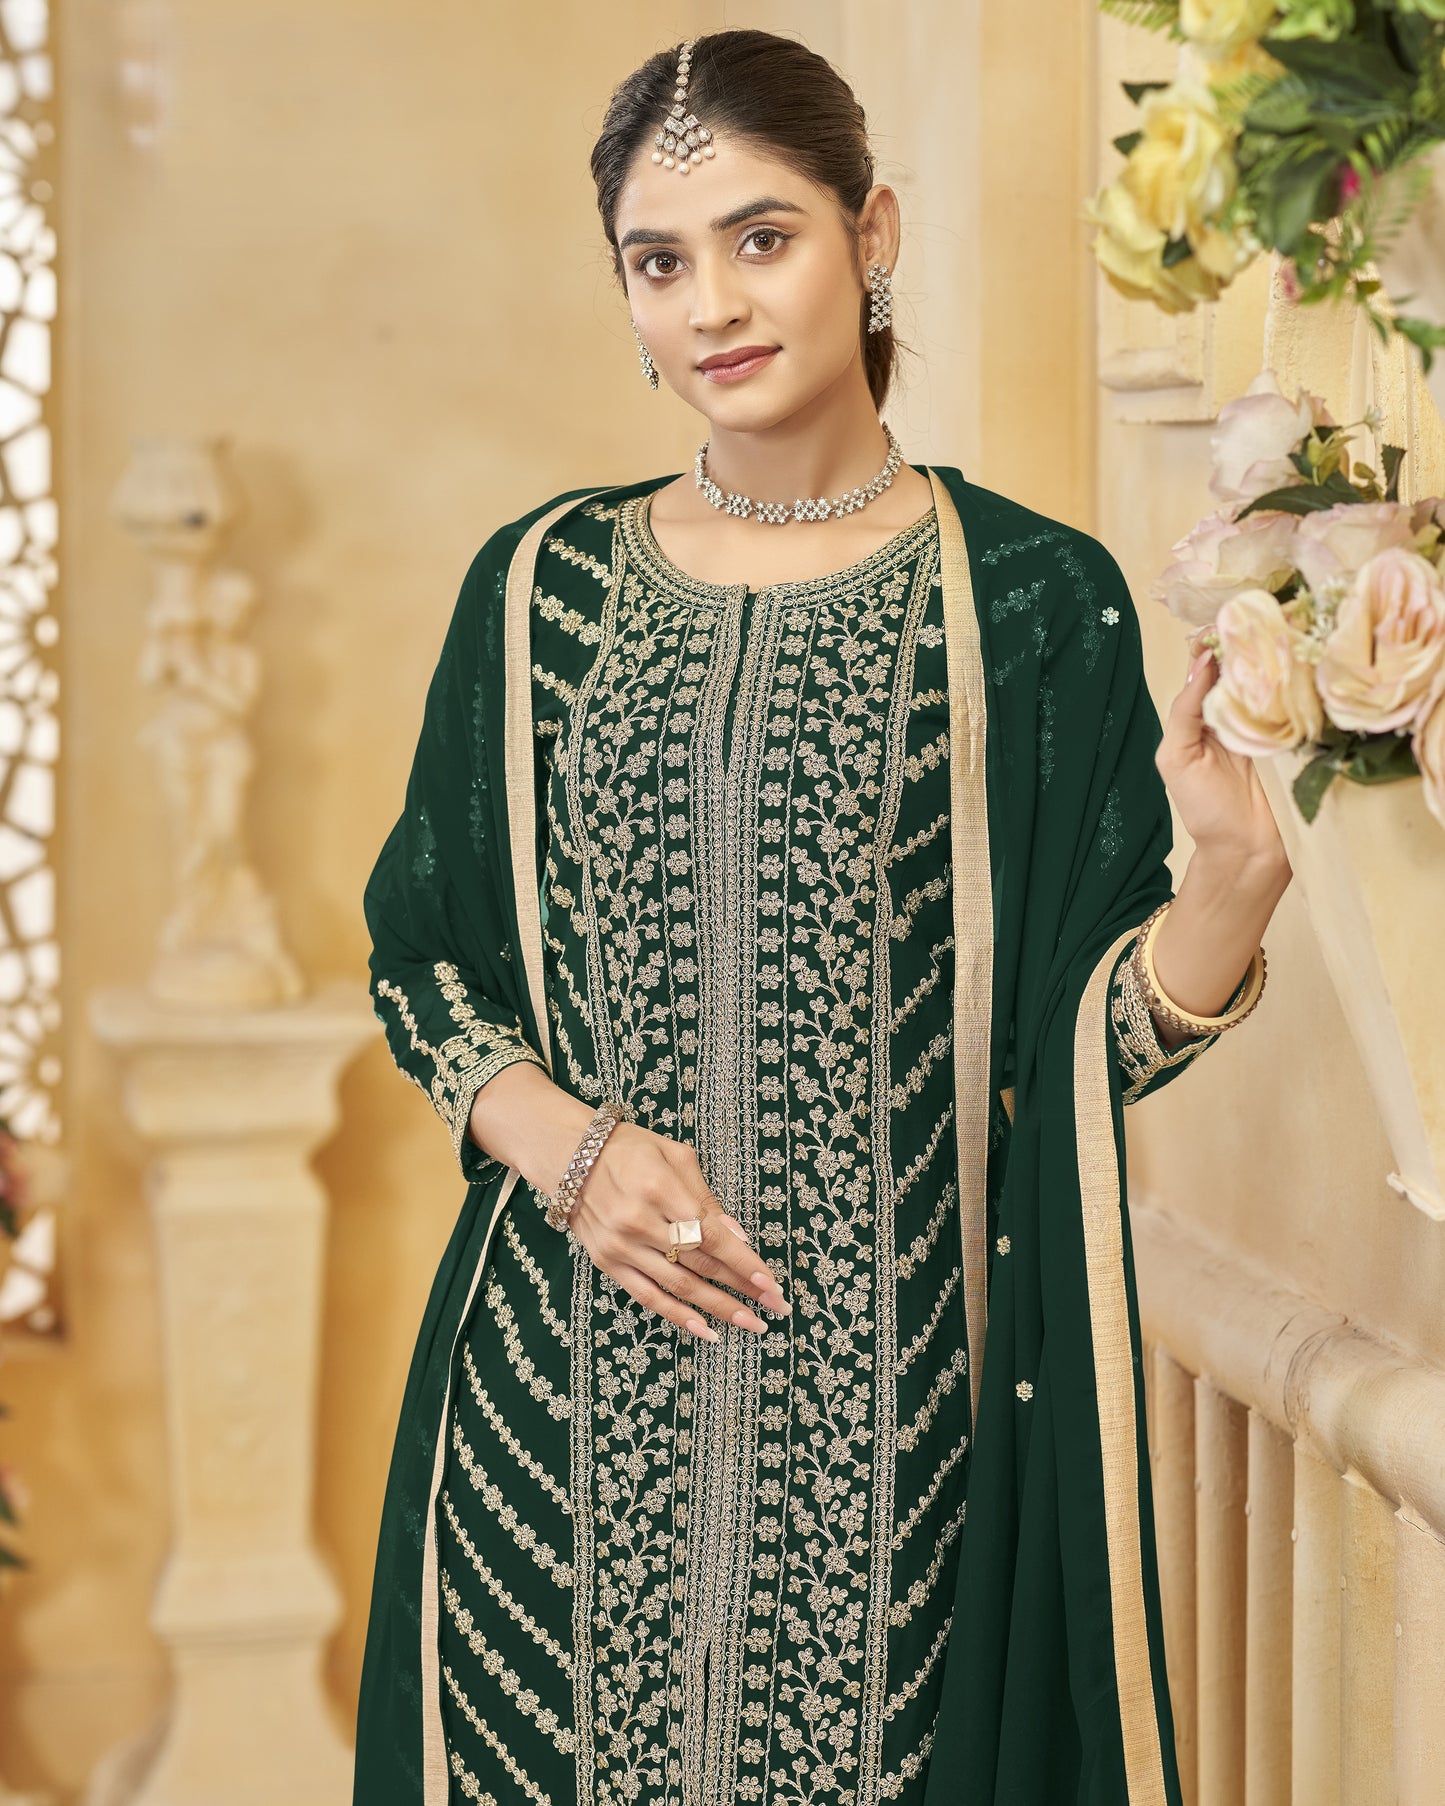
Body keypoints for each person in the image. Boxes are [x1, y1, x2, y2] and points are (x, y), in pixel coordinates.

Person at [352, 28, 1289, 1806]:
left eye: (759, 236)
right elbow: (423, 963)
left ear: (873, 234)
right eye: (658, 258)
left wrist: (1227, 897)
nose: (710, 299)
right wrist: (563, 1146)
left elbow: (1071, 1061)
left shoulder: (1026, 602)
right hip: (549, 1435)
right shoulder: (538, 589)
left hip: (891, 1461)